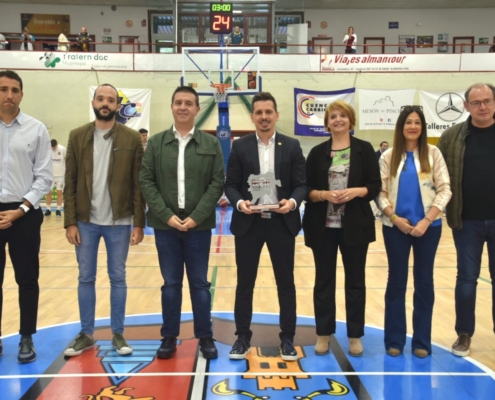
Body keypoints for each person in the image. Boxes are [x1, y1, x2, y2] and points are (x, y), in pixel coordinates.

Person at [139, 86, 224, 360]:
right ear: (172, 107)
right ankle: (168, 336)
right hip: (166, 227)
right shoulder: (156, 143)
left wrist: (197, 216)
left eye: (189, 103)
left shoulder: (211, 144)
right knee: (171, 284)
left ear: (198, 109)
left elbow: (216, 183)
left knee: (199, 284)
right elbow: (146, 181)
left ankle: (205, 335)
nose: (183, 107)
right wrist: (167, 216)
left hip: (198, 227)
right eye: (179, 102)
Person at [63, 83, 145, 357]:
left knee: (118, 277)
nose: (105, 103)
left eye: (111, 99)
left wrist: (139, 222)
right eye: (101, 98)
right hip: (85, 221)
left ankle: (118, 334)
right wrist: (70, 221)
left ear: (117, 105)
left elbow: (138, 184)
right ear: (94, 102)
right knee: (85, 277)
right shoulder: (77, 136)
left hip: (119, 222)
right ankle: (86, 334)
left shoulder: (132, 139)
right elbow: (70, 182)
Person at [225, 92, 306, 361]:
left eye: (268, 112)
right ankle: (242, 337)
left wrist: (292, 202)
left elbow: (301, 184)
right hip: (249, 222)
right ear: (252, 116)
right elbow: (231, 185)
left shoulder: (292, 145)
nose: (263, 117)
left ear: (276, 115)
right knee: (244, 283)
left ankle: (287, 339)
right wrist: (240, 204)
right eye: (258, 113)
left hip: (281, 222)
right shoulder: (240, 146)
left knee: (286, 283)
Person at [302, 100, 380, 357]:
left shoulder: (365, 150)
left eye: (343, 116)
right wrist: (324, 195)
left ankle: (355, 336)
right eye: (333, 116)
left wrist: (357, 191)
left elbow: (375, 185)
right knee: (324, 281)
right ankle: (323, 334)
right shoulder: (316, 153)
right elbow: (307, 191)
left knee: (355, 282)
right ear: (327, 123)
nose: (338, 120)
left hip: (355, 227)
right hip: (322, 227)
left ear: (351, 120)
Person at [378, 106, 451, 358]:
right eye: (408, 122)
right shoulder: (388, 156)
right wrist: (394, 217)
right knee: (396, 282)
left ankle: (421, 341)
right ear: (401, 126)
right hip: (395, 228)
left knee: (424, 282)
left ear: (422, 127)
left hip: (428, 229)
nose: (412, 126)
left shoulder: (434, 153)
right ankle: (394, 340)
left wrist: (427, 220)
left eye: (417, 122)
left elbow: (445, 190)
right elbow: (380, 192)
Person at [437, 83, 495, 357]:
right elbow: (440, 178)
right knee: (467, 279)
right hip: (466, 221)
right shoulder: (451, 136)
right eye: (476, 102)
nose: (482, 106)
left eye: (487, 101)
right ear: (466, 106)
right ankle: (464, 334)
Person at [0, 70, 53, 363]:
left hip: (25, 212)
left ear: (22, 94)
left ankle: (26, 337)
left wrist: (20, 210)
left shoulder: (36, 129)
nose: (9, 94)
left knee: (27, 279)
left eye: (14, 90)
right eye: (3, 89)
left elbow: (44, 177)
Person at [44, 139, 66, 218]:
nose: (53, 149)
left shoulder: (62, 149)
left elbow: (67, 159)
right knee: (48, 193)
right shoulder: (47, 149)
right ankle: (48, 209)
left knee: (59, 193)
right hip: (50, 175)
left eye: (54, 147)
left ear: (57, 144)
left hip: (60, 175)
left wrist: (66, 171)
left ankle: (58, 210)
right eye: (52, 147)